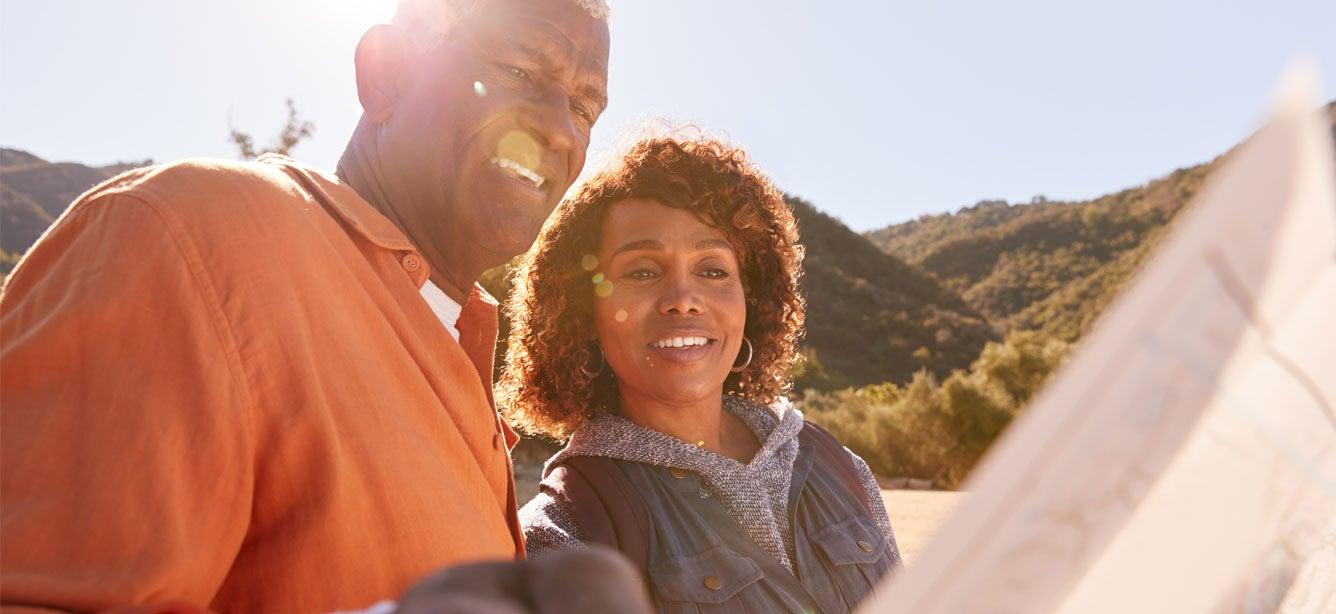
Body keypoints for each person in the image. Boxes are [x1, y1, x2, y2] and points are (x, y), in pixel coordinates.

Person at [0, 0, 650, 611]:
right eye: (519, 70)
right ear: (388, 73)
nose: (562, 129)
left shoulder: (464, 346)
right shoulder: (191, 234)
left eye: (585, 106)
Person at [500, 134, 903, 612]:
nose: (684, 297)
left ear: (750, 300)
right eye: (642, 272)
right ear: (584, 314)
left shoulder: (841, 467)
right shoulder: (566, 536)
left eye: (713, 270)